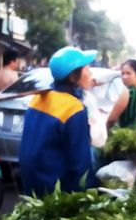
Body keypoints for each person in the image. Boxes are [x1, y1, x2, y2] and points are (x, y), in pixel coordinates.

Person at [19, 46, 97, 196]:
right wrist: (89, 192)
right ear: (73, 76)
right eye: (87, 68)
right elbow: (80, 162)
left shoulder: (39, 98)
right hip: (57, 191)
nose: (91, 72)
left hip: (33, 185)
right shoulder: (73, 108)